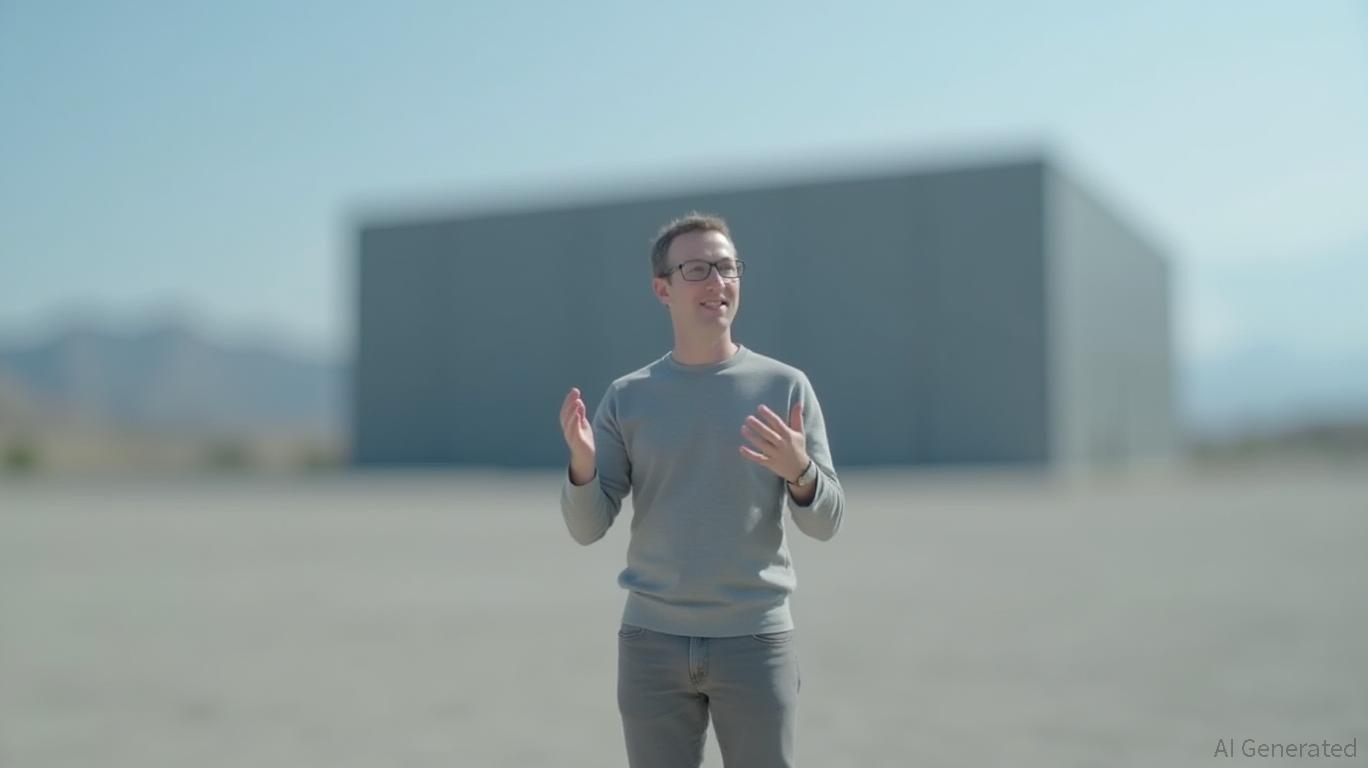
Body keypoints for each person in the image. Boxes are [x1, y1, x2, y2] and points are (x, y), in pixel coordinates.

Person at [557, 212, 846, 768]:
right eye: (696, 269)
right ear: (662, 289)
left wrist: (801, 472)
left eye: (727, 267)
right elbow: (587, 528)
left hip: (756, 643)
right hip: (651, 644)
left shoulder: (786, 387)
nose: (717, 281)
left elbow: (826, 523)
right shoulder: (628, 397)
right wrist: (583, 466)